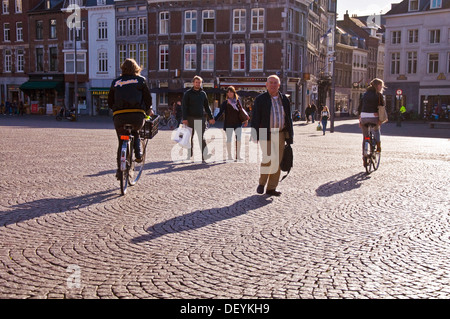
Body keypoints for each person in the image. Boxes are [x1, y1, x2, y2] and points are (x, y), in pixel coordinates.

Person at [108, 58, 153, 179]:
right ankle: (138, 154)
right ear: (136, 68)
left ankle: (119, 170)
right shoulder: (141, 80)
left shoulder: (115, 82)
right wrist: (147, 110)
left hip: (120, 117)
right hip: (136, 116)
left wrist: (116, 110)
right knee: (135, 131)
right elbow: (148, 99)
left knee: (121, 141)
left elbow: (110, 101)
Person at [251, 75, 294, 197]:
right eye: (271, 83)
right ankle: (262, 183)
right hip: (266, 133)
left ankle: (271, 188)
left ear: (279, 85)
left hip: (280, 134)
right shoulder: (260, 99)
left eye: (275, 83)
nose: (273, 85)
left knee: (278, 161)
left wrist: (290, 136)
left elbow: (289, 118)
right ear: (266, 85)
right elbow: (255, 118)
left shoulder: (284, 99)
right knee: (268, 158)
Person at [182, 75, 215, 162]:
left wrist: (211, 117)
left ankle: (204, 156)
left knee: (202, 137)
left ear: (201, 83)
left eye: (199, 82)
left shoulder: (203, 94)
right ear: (193, 83)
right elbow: (184, 106)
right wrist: (184, 118)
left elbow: (207, 106)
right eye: (196, 82)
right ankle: (189, 154)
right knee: (189, 137)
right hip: (189, 118)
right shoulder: (188, 93)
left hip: (200, 119)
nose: (197, 84)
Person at [214, 86, 248, 161]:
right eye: (228, 92)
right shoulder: (225, 103)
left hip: (238, 123)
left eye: (231, 92)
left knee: (238, 139)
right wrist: (214, 119)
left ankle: (238, 155)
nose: (229, 93)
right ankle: (229, 155)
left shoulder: (238, 101)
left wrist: (245, 120)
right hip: (229, 123)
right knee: (229, 139)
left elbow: (242, 111)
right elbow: (220, 112)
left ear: (234, 93)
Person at [358, 78, 386, 166]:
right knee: (377, 130)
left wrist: (360, 118)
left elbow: (360, 107)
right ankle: (378, 146)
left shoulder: (364, 94)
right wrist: (381, 120)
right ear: (377, 86)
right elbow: (382, 107)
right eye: (381, 85)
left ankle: (364, 156)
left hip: (364, 117)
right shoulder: (379, 95)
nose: (382, 87)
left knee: (365, 137)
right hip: (374, 117)